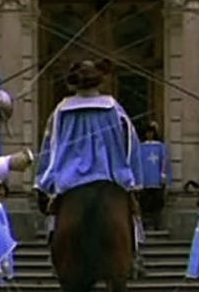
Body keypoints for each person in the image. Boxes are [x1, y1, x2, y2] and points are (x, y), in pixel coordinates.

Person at [34, 59, 145, 276]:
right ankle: (136, 253)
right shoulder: (113, 108)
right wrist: (133, 181)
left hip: (70, 178)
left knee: (55, 214)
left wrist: (43, 181)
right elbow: (130, 144)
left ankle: (54, 254)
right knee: (132, 213)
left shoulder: (61, 110)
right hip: (110, 176)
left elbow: (50, 145)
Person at [138, 121, 170, 231]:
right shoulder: (141, 147)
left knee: (157, 203)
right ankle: (145, 224)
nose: (149, 134)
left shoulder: (160, 146)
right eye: (148, 132)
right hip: (145, 180)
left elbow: (164, 161)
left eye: (151, 132)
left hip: (156, 180)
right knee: (144, 203)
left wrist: (163, 175)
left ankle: (157, 223)